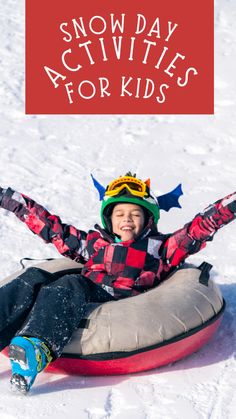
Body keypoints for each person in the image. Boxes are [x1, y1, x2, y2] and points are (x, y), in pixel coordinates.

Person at [0, 173, 236, 393]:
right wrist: (9, 200)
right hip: (86, 290)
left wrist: (231, 205)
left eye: (135, 214)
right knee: (34, 279)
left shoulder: (162, 249)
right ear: (109, 219)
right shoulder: (93, 245)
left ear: (148, 220)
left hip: (122, 303)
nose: (127, 220)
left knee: (68, 284)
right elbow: (51, 228)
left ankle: (36, 351)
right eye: (119, 214)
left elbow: (200, 228)